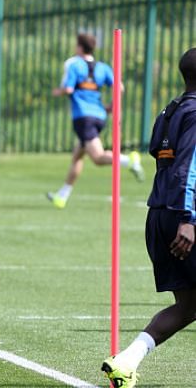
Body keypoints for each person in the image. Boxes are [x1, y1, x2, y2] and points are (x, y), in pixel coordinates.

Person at [101, 48, 196, 388]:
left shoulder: (169, 111)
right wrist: (189, 218)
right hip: (182, 216)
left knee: (187, 307)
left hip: (158, 214)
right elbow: (188, 166)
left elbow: (160, 154)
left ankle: (126, 362)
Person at [47, 33, 145, 209]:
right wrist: (112, 107)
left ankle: (128, 160)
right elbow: (119, 88)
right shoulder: (103, 68)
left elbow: (69, 89)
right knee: (78, 155)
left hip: (83, 117)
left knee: (98, 158)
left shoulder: (74, 65)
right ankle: (62, 196)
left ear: (79, 47)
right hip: (99, 116)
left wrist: (58, 91)